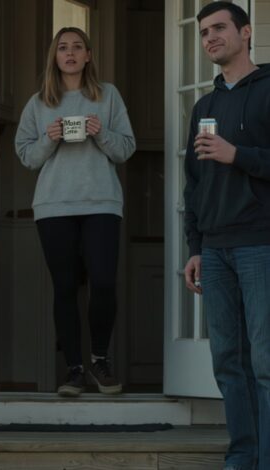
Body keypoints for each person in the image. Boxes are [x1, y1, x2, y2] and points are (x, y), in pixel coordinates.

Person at [14, 27, 136, 398]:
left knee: (103, 282)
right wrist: (49, 139)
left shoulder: (107, 95)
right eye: (63, 48)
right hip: (54, 206)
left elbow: (125, 149)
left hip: (101, 203)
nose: (69, 53)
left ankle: (99, 360)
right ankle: (74, 370)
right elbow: (26, 156)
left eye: (77, 47)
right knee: (65, 288)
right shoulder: (39, 103)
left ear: (88, 55)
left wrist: (101, 133)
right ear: (55, 56)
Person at [183, 3, 270, 469]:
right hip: (215, 251)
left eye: (219, 28)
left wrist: (238, 155)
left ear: (246, 32)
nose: (210, 38)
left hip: (260, 243)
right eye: (203, 32)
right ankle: (243, 457)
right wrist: (195, 248)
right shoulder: (204, 106)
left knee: (265, 363)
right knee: (228, 364)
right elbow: (193, 184)